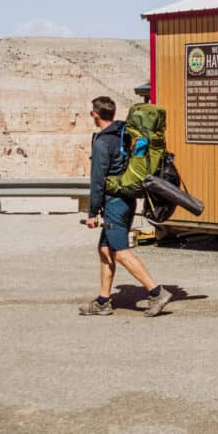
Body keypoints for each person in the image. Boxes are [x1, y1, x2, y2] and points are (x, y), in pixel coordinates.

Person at [78, 96, 172, 317]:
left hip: (114, 203)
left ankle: (156, 292)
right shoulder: (124, 133)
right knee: (105, 250)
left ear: (95, 115)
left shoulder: (102, 142)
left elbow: (98, 180)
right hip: (127, 200)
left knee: (120, 252)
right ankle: (103, 301)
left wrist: (92, 212)